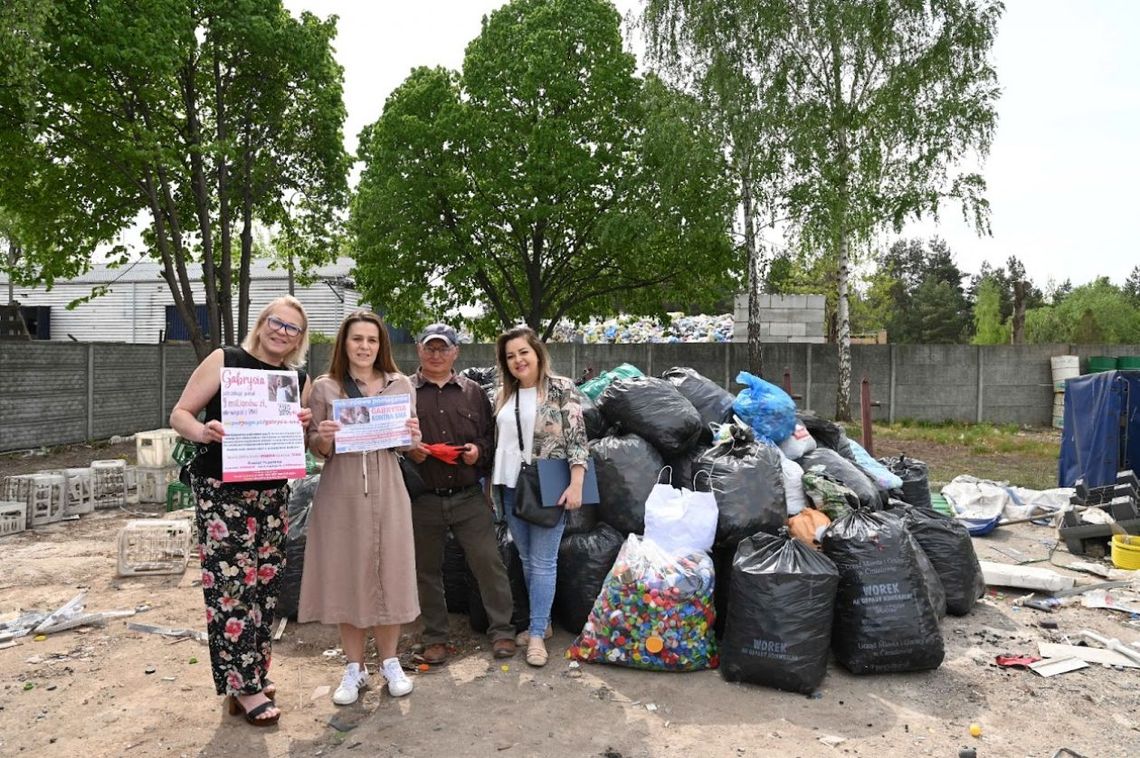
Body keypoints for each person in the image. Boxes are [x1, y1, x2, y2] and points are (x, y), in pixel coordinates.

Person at [170, 295, 313, 727]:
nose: (281, 332)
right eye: (276, 322)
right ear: (262, 322)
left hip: (271, 494)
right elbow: (180, 415)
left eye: (291, 328)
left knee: (266, 586)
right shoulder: (226, 360)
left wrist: (302, 429)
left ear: (299, 339)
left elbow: (300, 446)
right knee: (231, 589)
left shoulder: (296, 379)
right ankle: (245, 687)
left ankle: (254, 673)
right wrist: (204, 432)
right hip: (222, 492)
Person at [298, 311, 423, 706]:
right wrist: (323, 436)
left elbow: (406, 444)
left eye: (372, 339)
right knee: (347, 574)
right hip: (342, 490)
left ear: (380, 345)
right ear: (344, 343)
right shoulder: (325, 388)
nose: (364, 346)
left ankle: (390, 661)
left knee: (391, 572)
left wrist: (412, 435)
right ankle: (354, 667)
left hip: (389, 488)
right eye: (357, 339)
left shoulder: (400, 384)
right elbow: (317, 450)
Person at [407, 323, 518, 664]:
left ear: (456, 352)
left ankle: (502, 631)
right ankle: (435, 637)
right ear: (419, 350)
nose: (436, 354)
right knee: (426, 571)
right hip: (423, 497)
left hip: (468, 496)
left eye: (443, 348)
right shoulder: (403, 391)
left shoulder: (474, 393)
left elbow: (490, 438)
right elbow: (390, 439)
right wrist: (409, 450)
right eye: (430, 348)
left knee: (489, 563)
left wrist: (477, 451)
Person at [491, 326, 588, 667]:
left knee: (544, 561)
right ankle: (542, 623)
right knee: (527, 559)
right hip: (508, 485)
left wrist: (577, 483)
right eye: (510, 356)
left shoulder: (561, 388)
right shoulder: (503, 394)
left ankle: (535, 635)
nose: (518, 360)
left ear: (537, 353)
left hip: (548, 482)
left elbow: (577, 438)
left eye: (523, 352)